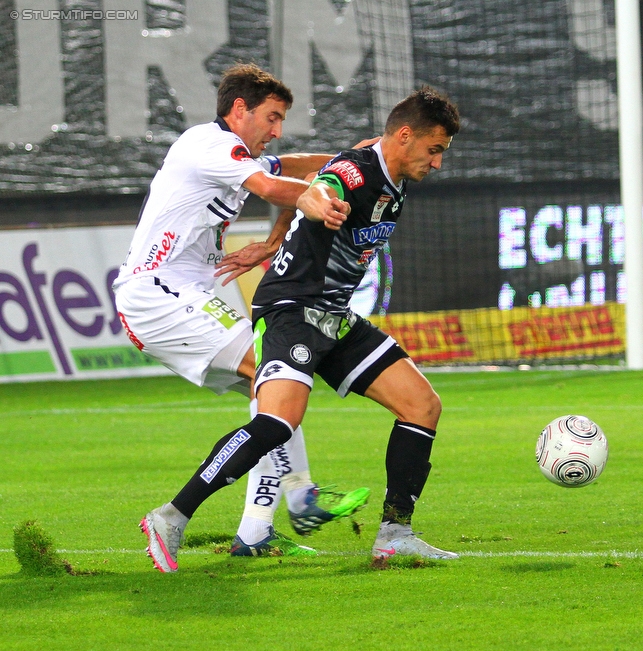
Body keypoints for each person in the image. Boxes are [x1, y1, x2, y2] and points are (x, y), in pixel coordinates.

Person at [139, 86, 462, 572]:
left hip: (333, 314)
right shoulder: (355, 173)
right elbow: (326, 183)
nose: (437, 163)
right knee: (276, 422)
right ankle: (172, 515)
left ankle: (395, 533)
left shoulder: (391, 174)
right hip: (290, 308)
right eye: (434, 149)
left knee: (422, 406)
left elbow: (310, 175)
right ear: (404, 135)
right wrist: (318, 198)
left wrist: (274, 238)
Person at [115, 63, 370, 567]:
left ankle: (258, 529)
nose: (276, 131)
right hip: (156, 291)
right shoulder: (206, 145)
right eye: (271, 118)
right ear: (239, 110)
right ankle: (276, 499)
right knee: (273, 372)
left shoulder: (233, 152)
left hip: (180, 293)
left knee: (278, 391)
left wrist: (360, 159)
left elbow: (295, 165)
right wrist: (315, 198)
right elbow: (277, 186)